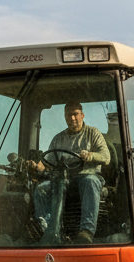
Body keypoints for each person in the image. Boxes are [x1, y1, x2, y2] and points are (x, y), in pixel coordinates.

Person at [29, 103, 110, 244]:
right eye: (68, 114)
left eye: (75, 114)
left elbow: (106, 157)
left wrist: (91, 155)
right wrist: (37, 166)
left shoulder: (93, 133)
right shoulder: (58, 139)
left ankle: (87, 231)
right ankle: (46, 229)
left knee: (90, 181)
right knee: (41, 189)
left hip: (86, 176)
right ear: (65, 117)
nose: (72, 118)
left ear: (82, 115)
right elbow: (48, 163)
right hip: (63, 179)